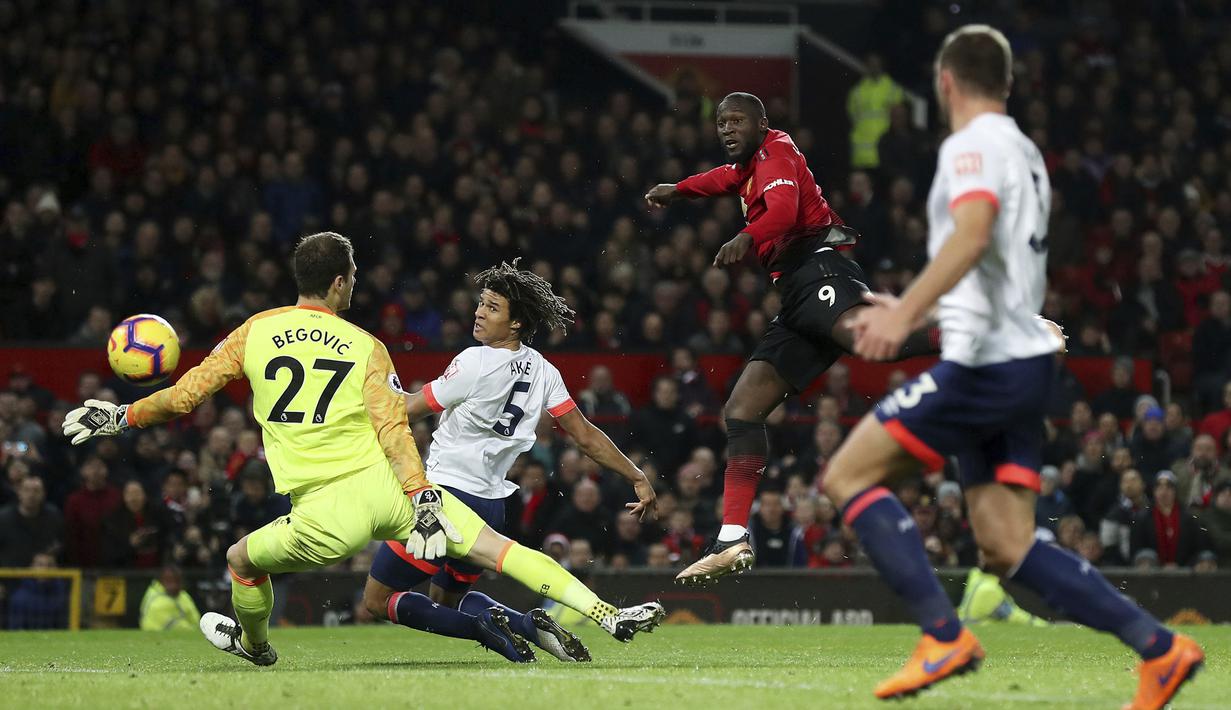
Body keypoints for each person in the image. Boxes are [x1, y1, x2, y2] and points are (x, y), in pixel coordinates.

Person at [61, 232, 664, 668]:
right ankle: (607, 615)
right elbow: (394, 428)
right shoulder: (368, 347)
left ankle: (256, 646)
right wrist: (420, 495)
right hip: (394, 488)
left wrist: (121, 415)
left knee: (241, 560)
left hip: (325, 510)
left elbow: (186, 396)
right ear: (340, 282)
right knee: (500, 551)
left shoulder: (254, 331)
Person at [818, 26, 1203, 707]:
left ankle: (942, 635)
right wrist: (930, 313)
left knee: (847, 474)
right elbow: (992, 265)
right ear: (1006, 82)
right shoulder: (1022, 150)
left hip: (983, 369)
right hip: (1021, 362)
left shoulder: (971, 146)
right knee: (1005, 546)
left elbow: (970, 233)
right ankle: (1161, 649)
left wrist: (904, 316)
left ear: (944, 82)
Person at [645, 92, 941, 585]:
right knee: (741, 411)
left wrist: (745, 236)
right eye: (721, 121)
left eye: (737, 120)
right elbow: (720, 179)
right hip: (796, 298)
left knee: (867, 338)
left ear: (763, 123)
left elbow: (782, 212)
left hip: (819, 267)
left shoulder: (777, 152)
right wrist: (678, 190)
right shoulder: (747, 166)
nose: (727, 128)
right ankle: (733, 537)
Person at [364, 261, 658, 663]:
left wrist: (369, 392)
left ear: (517, 322)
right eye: (480, 304)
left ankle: (493, 631)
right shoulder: (543, 370)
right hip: (489, 506)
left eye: (492, 308)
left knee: (378, 600)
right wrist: (636, 475)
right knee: (445, 598)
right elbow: (586, 436)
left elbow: (408, 410)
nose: (479, 313)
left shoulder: (474, 361)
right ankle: (525, 624)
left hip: (442, 499)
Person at [140, 565, 202, 631]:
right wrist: (193, 630)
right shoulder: (156, 599)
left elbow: (196, 619)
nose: (174, 585)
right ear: (161, 580)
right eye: (169, 581)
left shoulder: (183, 595)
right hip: (156, 637)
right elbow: (174, 627)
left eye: (177, 581)